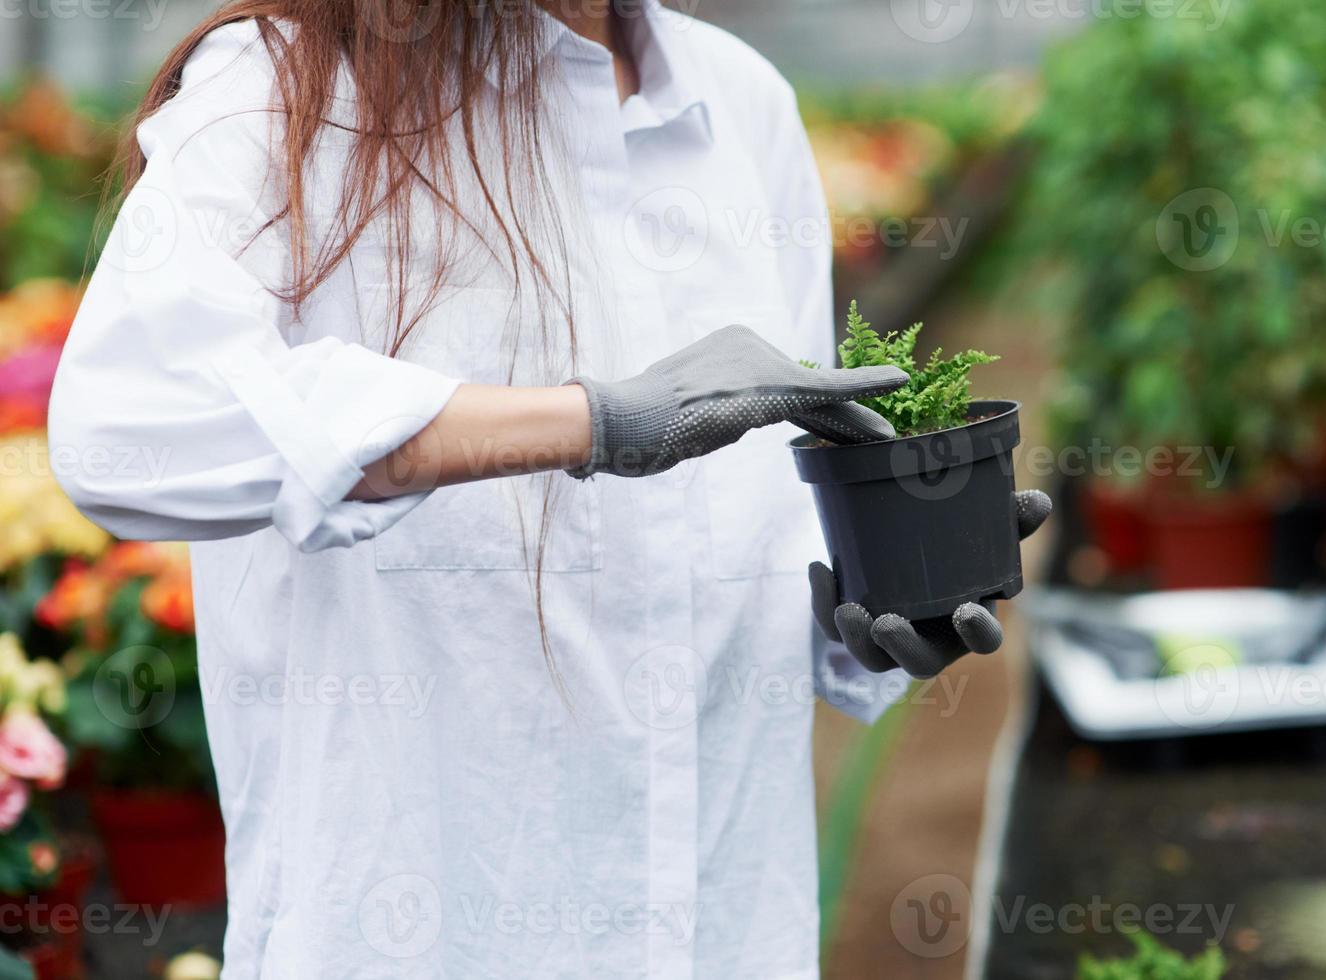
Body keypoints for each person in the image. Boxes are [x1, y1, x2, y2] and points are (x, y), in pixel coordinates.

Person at [49, 1, 1049, 975]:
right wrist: (592, 422)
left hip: (721, 917)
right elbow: (129, 426)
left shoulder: (738, 104)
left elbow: (757, 523)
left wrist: (871, 608)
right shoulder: (284, 84)